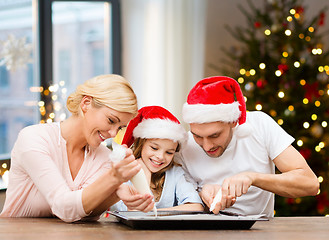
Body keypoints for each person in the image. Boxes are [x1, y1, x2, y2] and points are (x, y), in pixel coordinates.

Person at [0, 74, 154, 222]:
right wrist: (113, 180)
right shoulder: (34, 139)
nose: (113, 133)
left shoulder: (103, 156)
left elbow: (84, 215)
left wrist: (116, 192)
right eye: (111, 120)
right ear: (86, 103)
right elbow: (64, 208)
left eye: (120, 128)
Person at [177, 76, 319, 217]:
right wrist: (202, 195)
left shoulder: (259, 125)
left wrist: (253, 178)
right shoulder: (184, 145)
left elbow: (310, 184)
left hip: (261, 231)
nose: (207, 146)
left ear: (233, 121)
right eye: (198, 136)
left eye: (214, 136)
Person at [112, 106, 204, 212]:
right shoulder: (124, 173)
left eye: (169, 152)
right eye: (154, 148)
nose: (160, 156)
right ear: (141, 144)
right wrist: (144, 177)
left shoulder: (175, 173)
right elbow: (132, 213)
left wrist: (155, 213)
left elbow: (196, 207)